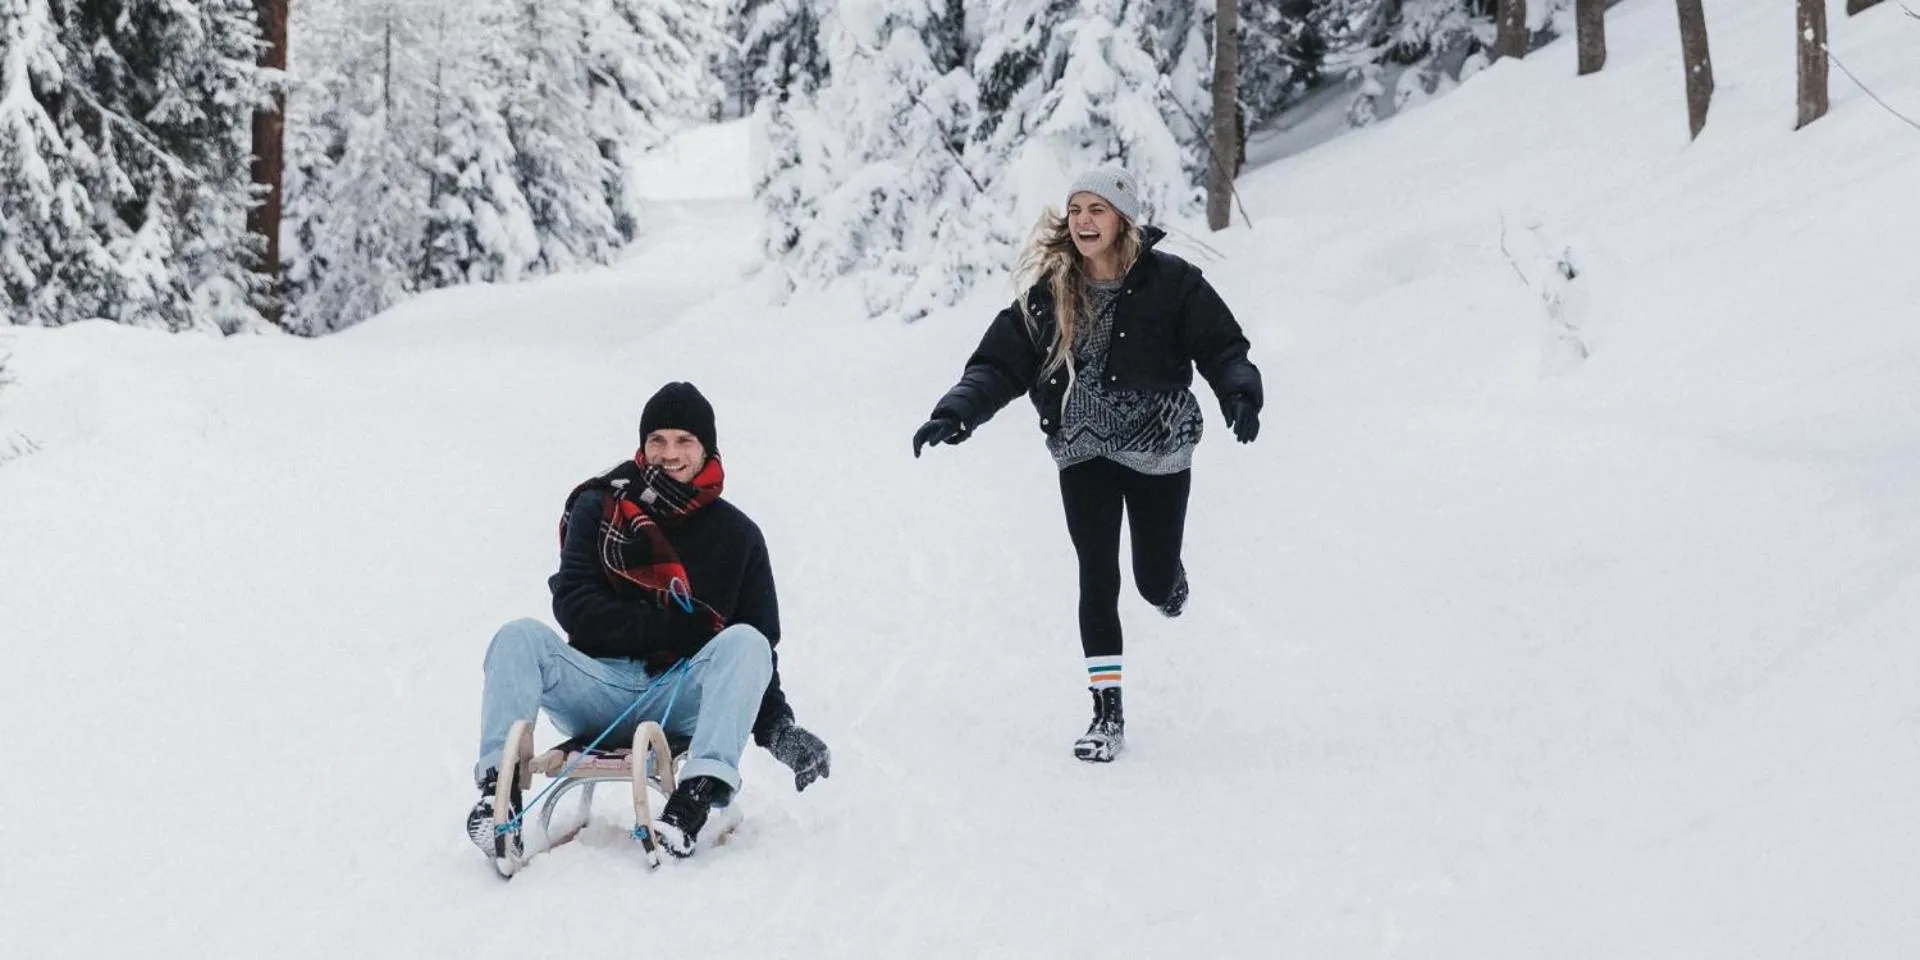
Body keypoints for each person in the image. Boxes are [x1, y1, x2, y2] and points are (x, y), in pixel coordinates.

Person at [912, 167, 1262, 763]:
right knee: (1097, 574)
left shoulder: (1173, 283)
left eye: (1097, 209)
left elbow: (1223, 346)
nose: (1082, 221)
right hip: (1083, 452)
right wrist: (957, 412)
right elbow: (998, 365)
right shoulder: (1051, 294)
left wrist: (1239, 391)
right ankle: (1107, 712)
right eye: (1075, 209)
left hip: (1159, 448)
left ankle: (1168, 581)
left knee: (1151, 579)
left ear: (1123, 219)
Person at [467, 382, 830, 859]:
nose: (669, 453)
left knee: (745, 641)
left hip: (679, 694)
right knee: (516, 637)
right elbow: (575, 606)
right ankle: (498, 796)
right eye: (657, 439)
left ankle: (695, 798)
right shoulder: (599, 508)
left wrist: (780, 731)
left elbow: (754, 654)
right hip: (597, 686)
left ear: (707, 449)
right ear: (642, 446)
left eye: (684, 441)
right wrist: (675, 627)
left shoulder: (739, 536)